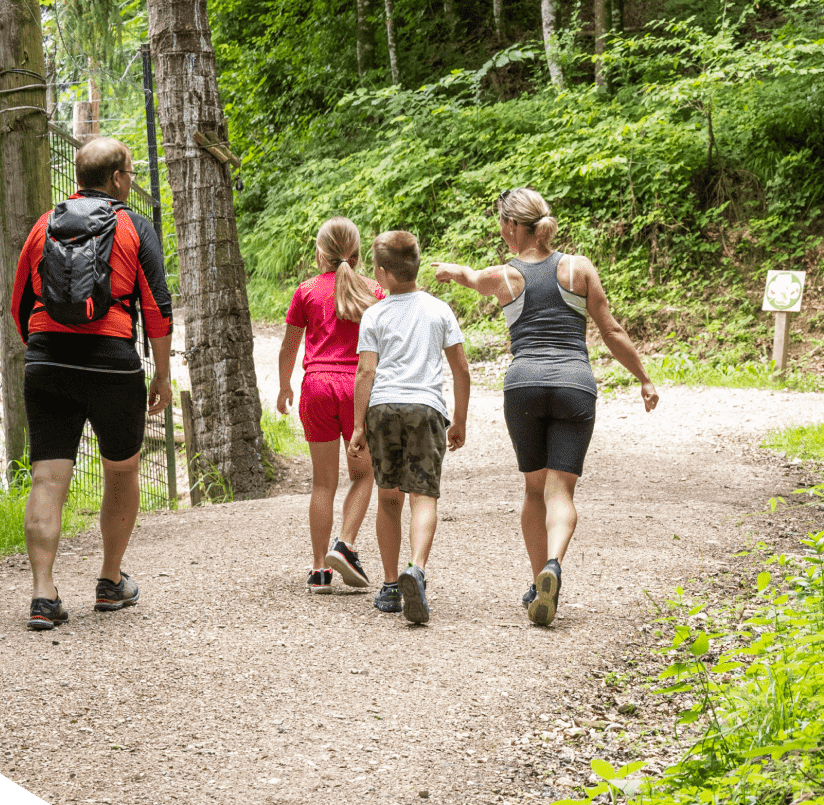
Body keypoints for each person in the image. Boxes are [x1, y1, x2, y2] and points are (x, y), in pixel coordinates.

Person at [432, 187, 658, 627]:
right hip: (576, 385)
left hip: (524, 388)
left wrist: (446, 270)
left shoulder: (504, 276)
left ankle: (539, 583)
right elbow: (610, 330)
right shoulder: (578, 269)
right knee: (562, 492)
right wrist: (644, 379)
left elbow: (467, 275)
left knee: (534, 491)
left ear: (515, 227)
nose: (501, 232)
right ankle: (553, 563)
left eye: (502, 224)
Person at [10, 137, 173, 631]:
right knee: (122, 471)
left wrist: (43, 352)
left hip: (47, 361)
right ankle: (108, 582)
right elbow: (157, 308)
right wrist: (162, 374)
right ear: (120, 178)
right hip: (112, 364)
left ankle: (43, 595)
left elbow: (20, 301)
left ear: (78, 178)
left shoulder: (44, 224)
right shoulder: (133, 226)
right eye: (131, 172)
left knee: (47, 478)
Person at [347, 230, 470, 624]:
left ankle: (388, 586)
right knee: (423, 497)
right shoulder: (439, 309)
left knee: (388, 499)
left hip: (383, 408)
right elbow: (461, 369)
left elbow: (366, 370)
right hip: (425, 409)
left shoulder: (375, 314)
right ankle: (415, 568)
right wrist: (460, 419)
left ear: (382, 273)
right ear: (417, 266)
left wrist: (357, 426)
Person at [277, 218, 384, 592]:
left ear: (320, 253)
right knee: (364, 475)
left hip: (317, 388)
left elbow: (289, 346)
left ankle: (319, 569)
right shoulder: (375, 291)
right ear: (357, 254)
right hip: (358, 391)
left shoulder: (306, 291)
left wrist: (283, 387)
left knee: (323, 484)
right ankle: (346, 544)